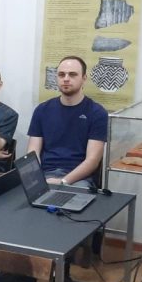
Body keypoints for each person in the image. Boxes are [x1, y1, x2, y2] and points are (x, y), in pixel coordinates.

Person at [27, 55, 108, 186]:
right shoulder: (42, 110)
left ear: (84, 78)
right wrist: (37, 180)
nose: (66, 79)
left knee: (72, 196)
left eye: (72, 74)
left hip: (79, 179)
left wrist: (63, 182)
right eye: (61, 74)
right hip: (45, 174)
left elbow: (92, 161)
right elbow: (32, 153)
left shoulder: (97, 113)